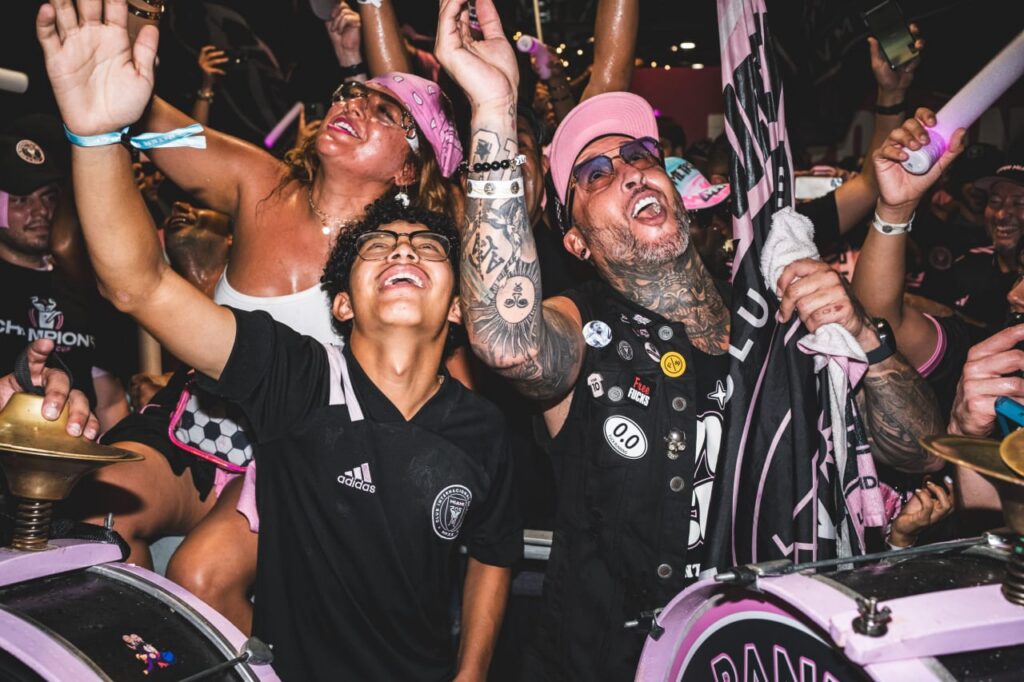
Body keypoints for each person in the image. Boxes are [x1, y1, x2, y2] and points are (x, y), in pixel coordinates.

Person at [434, 0, 944, 677]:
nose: (629, 170)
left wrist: (863, 338)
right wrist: (495, 109)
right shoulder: (584, 330)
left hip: (774, 655)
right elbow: (508, 342)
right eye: (595, 175)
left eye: (639, 155)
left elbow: (918, 450)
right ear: (576, 242)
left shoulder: (778, 314)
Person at [38, 4, 520, 680]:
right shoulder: (258, 181)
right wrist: (116, 81)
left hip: (296, 460)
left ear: (409, 170)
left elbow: (443, 406)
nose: (352, 103)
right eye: (350, 93)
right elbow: (145, 127)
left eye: (385, 113)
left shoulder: (402, 269)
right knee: (95, 521)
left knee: (202, 572)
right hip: (202, 425)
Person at [0, 116, 130, 432]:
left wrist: (121, 455)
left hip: (71, 451)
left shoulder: (86, 287)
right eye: (20, 200)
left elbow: (109, 400)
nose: (40, 212)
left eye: (48, 197)